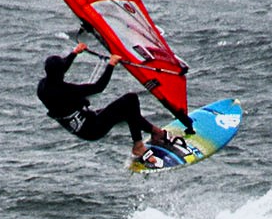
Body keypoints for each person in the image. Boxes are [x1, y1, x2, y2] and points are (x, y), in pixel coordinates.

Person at [37, 42, 180, 162]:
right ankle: (138, 146)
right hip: (92, 128)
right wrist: (111, 65)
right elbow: (98, 87)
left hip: (84, 125)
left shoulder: (43, 87)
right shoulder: (65, 90)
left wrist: (74, 53)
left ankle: (156, 133)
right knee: (130, 100)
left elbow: (58, 72)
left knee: (127, 111)